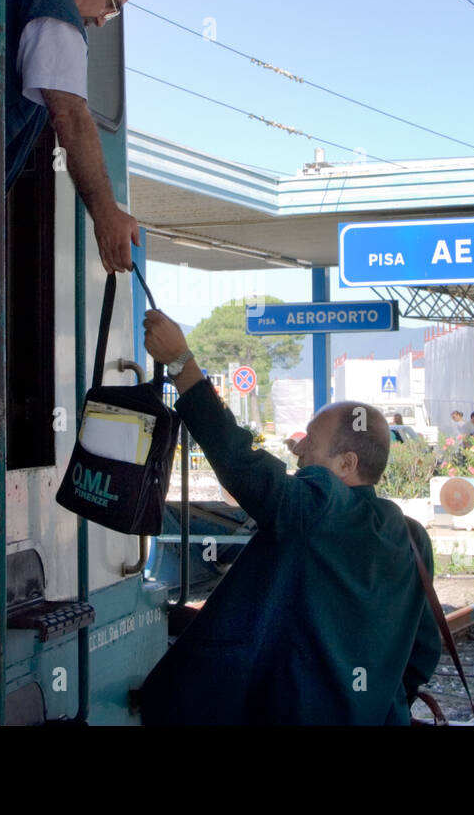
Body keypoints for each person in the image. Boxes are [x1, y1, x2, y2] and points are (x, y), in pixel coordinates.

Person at [138, 310, 442, 725]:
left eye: (310, 444)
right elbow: (423, 651)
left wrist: (181, 365)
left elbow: (241, 462)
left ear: (346, 464)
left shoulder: (317, 509)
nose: (298, 453)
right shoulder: (412, 538)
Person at [0, 0, 140, 273]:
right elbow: (71, 117)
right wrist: (107, 213)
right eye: (111, 6)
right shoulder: (56, 11)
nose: (100, 19)